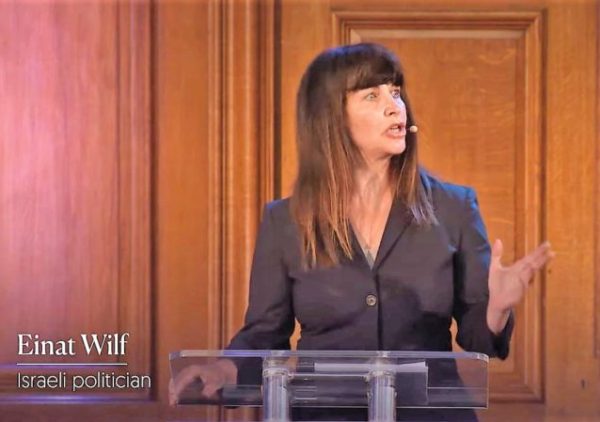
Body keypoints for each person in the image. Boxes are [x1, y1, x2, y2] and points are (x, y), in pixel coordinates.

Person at [170, 43, 554, 421]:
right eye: (372, 95)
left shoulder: (454, 207)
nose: (395, 106)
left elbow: (477, 336)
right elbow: (264, 334)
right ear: (331, 117)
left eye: (396, 92)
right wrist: (225, 369)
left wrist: (497, 308)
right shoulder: (286, 221)